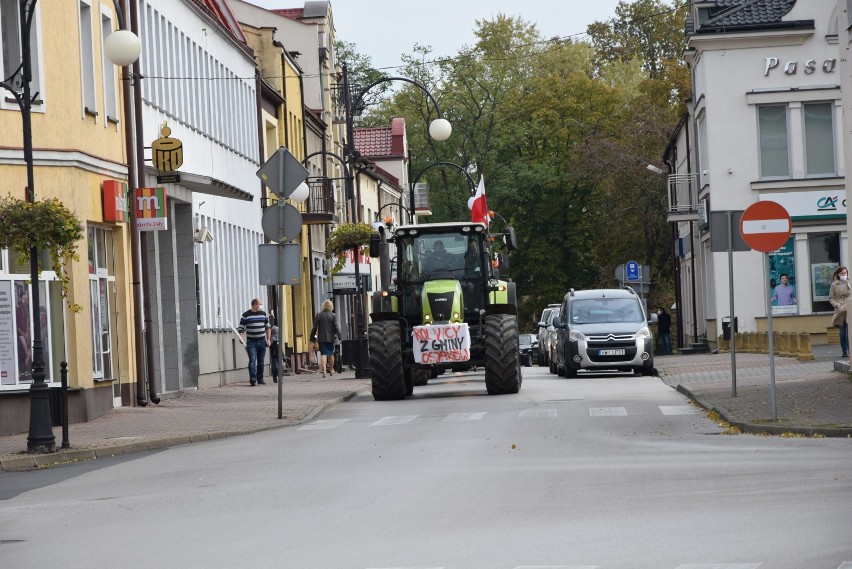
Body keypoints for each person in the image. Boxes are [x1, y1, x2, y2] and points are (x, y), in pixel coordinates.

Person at [238, 298, 271, 385]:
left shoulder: (263, 314)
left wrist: (268, 339)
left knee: (261, 361)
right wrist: (241, 337)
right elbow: (241, 328)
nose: (261, 306)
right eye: (260, 304)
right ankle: (253, 378)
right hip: (251, 341)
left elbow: (268, 327)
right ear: (255, 305)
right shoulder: (246, 315)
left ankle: (260, 378)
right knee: (252, 360)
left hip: (262, 340)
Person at [310, 299, 342, 378]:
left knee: (323, 354)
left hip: (321, 338)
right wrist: (340, 336)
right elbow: (337, 327)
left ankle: (324, 371)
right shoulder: (333, 315)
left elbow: (314, 328)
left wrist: (312, 337)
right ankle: (331, 370)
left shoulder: (319, 315)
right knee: (330, 354)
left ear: (323, 306)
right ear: (331, 306)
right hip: (330, 338)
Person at [829, 266, 850, 358]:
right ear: (838, 274)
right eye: (842, 273)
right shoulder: (834, 284)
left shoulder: (849, 282)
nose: (844, 275)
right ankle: (844, 350)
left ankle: (850, 350)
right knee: (842, 332)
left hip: (849, 308)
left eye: (845, 273)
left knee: (850, 331)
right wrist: (836, 305)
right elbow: (831, 298)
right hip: (840, 309)